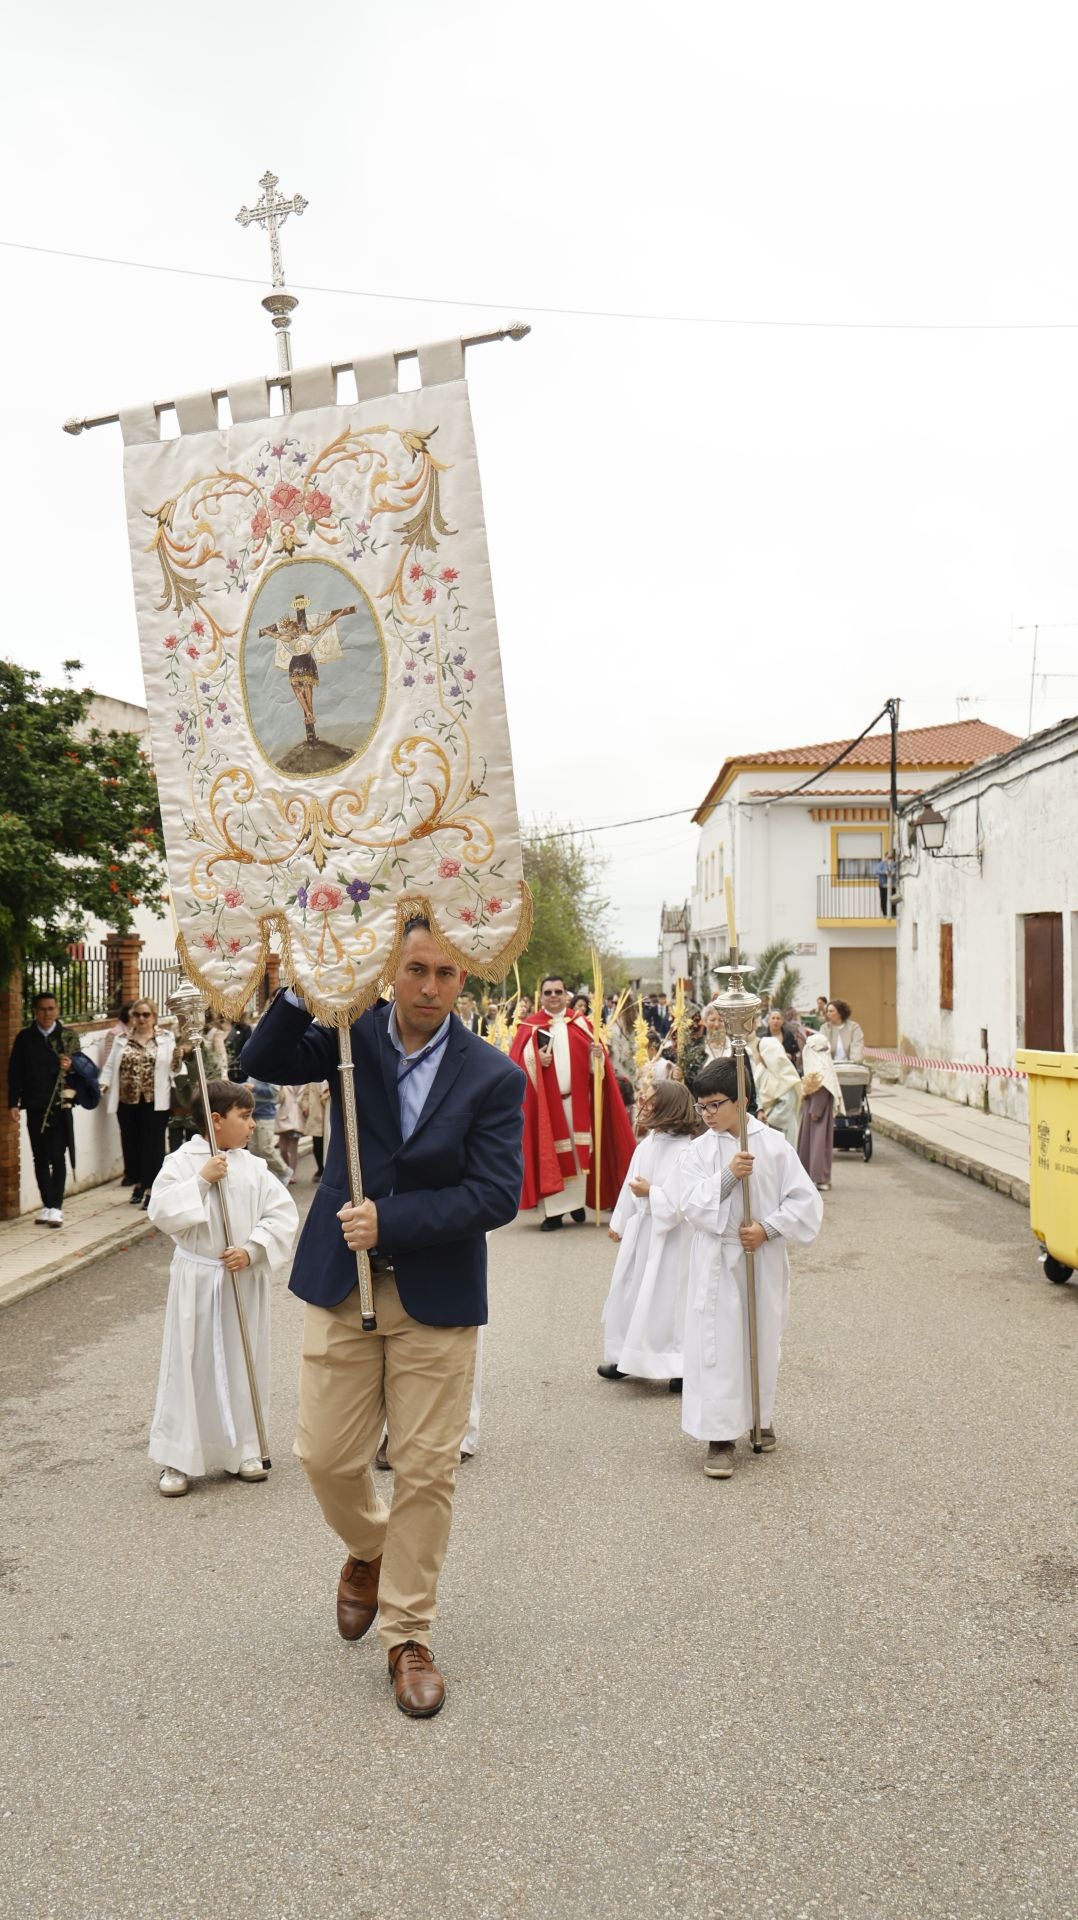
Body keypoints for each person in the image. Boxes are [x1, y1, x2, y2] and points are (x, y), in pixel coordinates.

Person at [240, 918, 525, 1721]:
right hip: (343, 1284)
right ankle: (370, 1546)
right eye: (415, 969)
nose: (429, 987)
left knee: (426, 1471)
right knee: (325, 1456)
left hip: (437, 1298)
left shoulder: (494, 1075)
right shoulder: (348, 1034)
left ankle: (408, 1635)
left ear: (464, 978)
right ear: (389, 969)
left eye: (445, 972)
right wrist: (309, 980)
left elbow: (495, 1194)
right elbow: (262, 1061)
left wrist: (391, 1220)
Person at [147, 1079, 298, 1498]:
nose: (252, 1125)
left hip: (241, 1280)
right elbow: (161, 1211)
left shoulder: (254, 1167)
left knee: (242, 1360)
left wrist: (253, 1249)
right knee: (189, 1363)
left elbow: (281, 1214)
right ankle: (178, 1457)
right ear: (216, 1120)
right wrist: (201, 1180)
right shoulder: (182, 1162)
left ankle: (245, 1449)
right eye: (244, 1116)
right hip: (199, 1280)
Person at [674, 1057, 823, 1478]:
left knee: (761, 1337)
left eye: (715, 1105)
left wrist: (767, 1229)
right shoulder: (699, 1150)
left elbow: (805, 1202)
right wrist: (727, 1177)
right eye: (701, 1106)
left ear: (740, 1101)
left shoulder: (774, 1145)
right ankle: (719, 1435)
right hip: (718, 1258)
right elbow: (689, 1204)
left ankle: (760, 1414)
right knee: (719, 1344)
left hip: (760, 1256)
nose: (706, 1114)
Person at [510, 972, 636, 1231]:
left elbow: (595, 1071)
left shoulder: (581, 1024)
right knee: (553, 1154)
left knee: (579, 1157)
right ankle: (554, 1213)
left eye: (558, 991)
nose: (553, 996)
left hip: (577, 1102)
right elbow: (515, 1065)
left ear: (565, 995)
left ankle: (576, 1204)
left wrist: (597, 1056)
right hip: (547, 1106)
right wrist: (535, 1060)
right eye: (548, 992)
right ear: (541, 996)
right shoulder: (530, 1027)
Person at [598, 1079, 701, 1388]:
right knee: (632, 1291)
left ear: (668, 1108)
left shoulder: (687, 1151)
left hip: (671, 1239)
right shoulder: (647, 1144)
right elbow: (630, 1185)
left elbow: (681, 1202)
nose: (642, 1105)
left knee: (667, 1300)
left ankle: (677, 1364)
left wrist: (651, 1192)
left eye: (649, 1101)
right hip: (643, 1231)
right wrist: (620, 1221)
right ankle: (626, 1355)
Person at [7, 992, 83, 1227]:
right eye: (42, 1009)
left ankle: (57, 1206)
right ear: (35, 1012)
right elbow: (15, 1072)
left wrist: (70, 1067)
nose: (47, 1013)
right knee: (39, 1156)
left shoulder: (67, 1037)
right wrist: (13, 1103)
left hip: (60, 1105)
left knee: (57, 1155)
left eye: (51, 1008)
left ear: (57, 1010)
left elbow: (81, 1070)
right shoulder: (25, 1038)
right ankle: (47, 1204)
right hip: (35, 1105)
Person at [100, 999, 177, 1209]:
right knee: (131, 1143)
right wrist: (103, 1084)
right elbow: (110, 1066)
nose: (141, 1019)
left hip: (155, 1101)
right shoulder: (122, 1039)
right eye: (137, 1015)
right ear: (132, 1017)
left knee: (153, 1145)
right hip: (127, 1100)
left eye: (146, 1014)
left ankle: (152, 1188)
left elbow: (175, 1068)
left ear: (154, 1016)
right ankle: (138, 1184)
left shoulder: (166, 1038)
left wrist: (178, 1059)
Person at [798, 1031, 842, 1192]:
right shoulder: (822, 1066)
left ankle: (820, 1177)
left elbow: (822, 1090)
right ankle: (810, 1175)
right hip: (813, 1110)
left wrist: (815, 1110)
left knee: (818, 1145)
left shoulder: (821, 1068)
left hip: (817, 1113)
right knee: (811, 1144)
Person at [756, 1036, 803, 1148]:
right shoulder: (761, 1070)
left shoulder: (786, 1075)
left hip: (781, 1126)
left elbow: (787, 1103)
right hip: (763, 1122)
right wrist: (760, 1110)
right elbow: (757, 1092)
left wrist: (769, 1120)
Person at [247, 1077, 290, 1177]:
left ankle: (285, 1172)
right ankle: (261, 1177)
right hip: (252, 1116)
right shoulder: (252, 1075)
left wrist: (254, 1088)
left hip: (266, 1115)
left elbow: (274, 1092)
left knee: (265, 1149)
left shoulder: (268, 1073)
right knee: (253, 1150)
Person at [275, 1082, 305, 1184]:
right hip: (283, 1116)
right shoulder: (283, 1081)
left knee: (293, 1148)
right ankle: (287, 1170)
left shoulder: (306, 1082)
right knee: (283, 1149)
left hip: (298, 1117)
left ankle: (292, 1174)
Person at [301, 1080, 330, 1181]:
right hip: (316, 1113)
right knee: (317, 1143)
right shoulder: (313, 1079)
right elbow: (305, 1094)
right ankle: (320, 1169)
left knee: (330, 1142)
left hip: (329, 1113)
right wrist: (305, 1107)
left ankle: (329, 1170)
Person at [825, 1000, 865, 1064]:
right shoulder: (825, 1028)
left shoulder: (854, 1027)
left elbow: (857, 1047)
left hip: (850, 1064)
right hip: (830, 1064)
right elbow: (822, 1048)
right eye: (827, 1011)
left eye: (831, 1011)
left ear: (840, 1013)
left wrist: (855, 1063)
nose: (828, 1014)